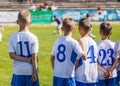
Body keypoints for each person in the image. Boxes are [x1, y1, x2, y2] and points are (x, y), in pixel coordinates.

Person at [50, 18, 86, 86]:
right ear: (74, 29)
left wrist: (55, 69)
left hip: (57, 74)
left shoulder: (57, 41)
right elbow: (84, 57)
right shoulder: (74, 42)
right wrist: (82, 45)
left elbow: (52, 58)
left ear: (62, 29)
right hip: (68, 75)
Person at [8, 10, 39, 86]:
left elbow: (11, 55)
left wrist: (25, 60)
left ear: (17, 22)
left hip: (18, 71)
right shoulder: (33, 38)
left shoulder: (12, 37)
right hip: (30, 71)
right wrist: (35, 72)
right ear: (30, 22)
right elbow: (34, 58)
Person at [75, 18, 98, 86]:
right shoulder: (94, 42)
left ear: (79, 29)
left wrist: (72, 72)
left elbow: (77, 60)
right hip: (93, 75)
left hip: (81, 75)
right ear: (89, 29)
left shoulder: (79, 42)